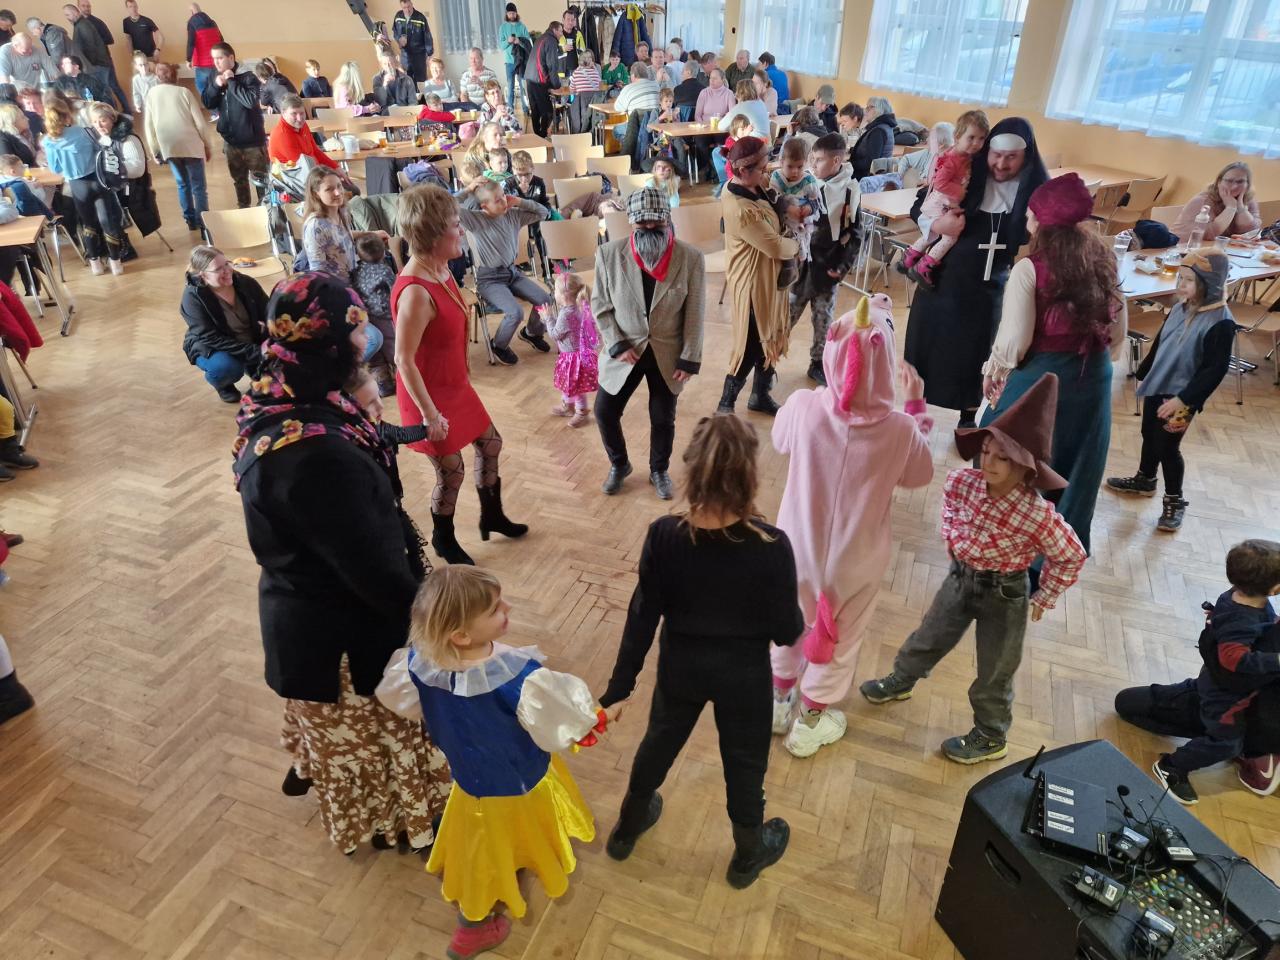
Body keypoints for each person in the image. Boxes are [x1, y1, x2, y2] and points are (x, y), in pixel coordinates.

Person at [233, 271, 449, 855]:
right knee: (382, 735)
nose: (365, 341)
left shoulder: (281, 397)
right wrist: (436, 624)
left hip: (305, 608)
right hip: (342, 638)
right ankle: (401, 821)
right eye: (355, 333)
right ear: (326, 343)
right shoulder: (318, 457)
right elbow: (371, 572)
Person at [598, 414, 803, 886]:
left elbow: (642, 617)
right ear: (749, 476)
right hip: (744, 677)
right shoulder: (772, 546)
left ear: (691, 469)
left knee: (659, 742)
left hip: (681, 668)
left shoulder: (663, 535)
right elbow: (786, 631)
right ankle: (748, 854)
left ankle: (627, 830)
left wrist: (618, 689)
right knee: (745, 761)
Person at [374, 567, 600, 958]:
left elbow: (404, 703)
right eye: (495, 608)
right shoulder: (520, 679)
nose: (507, 607)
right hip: (519, 785)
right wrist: (589, 721)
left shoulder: (419, 664)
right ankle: (472, 928)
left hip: (469, 782)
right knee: (488, 854)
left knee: (481, 844)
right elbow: (558, 728)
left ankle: (500, 880)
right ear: (461, 635)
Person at [861, 374, 1086, 763]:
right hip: (960, 578)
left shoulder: (1037, 514)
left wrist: (1045, 594)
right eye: (986, 450)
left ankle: (990, 734)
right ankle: (902, 679)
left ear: (1027, 468)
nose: (989, 462)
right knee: (929, 635)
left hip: (1006, 594)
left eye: (1003, 457)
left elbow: (1071, 554)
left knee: (996, 668)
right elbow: (949, 507)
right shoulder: (963, 482)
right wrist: (953, 538)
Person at [771, 295, 934, 757]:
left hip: (794, 549)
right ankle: (810, 723)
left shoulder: (803, 405)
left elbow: (780, 440)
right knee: (841, 638)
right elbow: (920, 475)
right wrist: (916, 406)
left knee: (787, 622)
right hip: (857, 562)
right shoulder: (901, 430)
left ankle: (779, 703)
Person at [981, 174, 1125, 557]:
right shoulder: (1104, 258)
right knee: (1076, 458)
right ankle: (1056, 546)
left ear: (1043, 221)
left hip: (1046, 375)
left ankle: (1010, 543)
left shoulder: (1030, 269)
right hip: (1093, 374)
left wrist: (994, 371)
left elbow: (1014, 343)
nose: (1027, 219)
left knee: (1007, 446)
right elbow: (1117, 330)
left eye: (1031, 213)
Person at [393, 184, 528, 566]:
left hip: (454, 385)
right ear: (433, 234)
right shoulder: (416, 291)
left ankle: (492, 516)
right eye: (455, 225)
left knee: (491, 444)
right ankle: (443, 538)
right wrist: (430, 415)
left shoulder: (441, 270)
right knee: (451, 473)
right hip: (428, 398)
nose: (462, 230)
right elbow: (403, 360)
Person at [903, 117, 1049, 426]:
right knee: (928, 350)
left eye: (1011, 157)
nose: (1001, 164)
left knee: (976, 355)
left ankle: (968, 415)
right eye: (996, 155)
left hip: (989, 290)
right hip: (941, 283)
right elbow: (919, 206)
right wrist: (937, 224)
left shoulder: (1033, 193)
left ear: (1026, 157)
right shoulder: (966, 172)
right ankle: (915, 412)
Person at [1105, 247, 1235, 533]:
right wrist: (1144, 372)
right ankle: (1145, 478)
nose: (1181, 285)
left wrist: (1183, 400)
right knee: (1148, 434)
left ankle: (1175, 500)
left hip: (1182, 398)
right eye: (1181, 278)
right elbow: (1162, 341)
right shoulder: (1180, 307)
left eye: (1189, 281)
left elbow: (1214, 371)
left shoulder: (1221, 323)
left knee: (1167, 446)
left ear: (1210, 284)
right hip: (1159, 386)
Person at [1140, 541, 1280, 804]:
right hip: (1225, 698)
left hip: (1211, 682)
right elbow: (1234, 659)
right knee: (1227, 743)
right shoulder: (1243, 619)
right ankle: (1172, 766)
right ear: (1274, 589)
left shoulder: (1237, 596)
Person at [592, 186, 704, 498]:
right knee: (604, 411)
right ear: (631, 221)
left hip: (668, 353)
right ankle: (620, 464)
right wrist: (616, 343)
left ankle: (659, 470)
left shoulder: (691, 258)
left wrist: (690, 357)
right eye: (643, 222)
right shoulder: (608, 254)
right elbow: (600, 306)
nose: (650, 227)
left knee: (663, 418)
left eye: (657, 221)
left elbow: (695, 312)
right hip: (624, 350)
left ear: (668, 218)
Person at [1116, 622, 1280, 798]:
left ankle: (1174, 765)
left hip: (1236, 713)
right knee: (1128, 702)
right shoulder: (1258, 620)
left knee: (1228, 743)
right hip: (1219, 699)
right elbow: (1223, 661)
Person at [718, 137, 798, 416]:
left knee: (771, 335)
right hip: (753, 283)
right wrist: (797, 245)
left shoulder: (751, 185)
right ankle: (725, 406)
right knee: (751, 343)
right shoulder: (741, 209)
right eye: (763, 169)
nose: (767, 173)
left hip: (768, 277)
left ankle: (760, 395)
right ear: (743, 170)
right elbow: (774, 246)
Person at [788, 133, 859, 386]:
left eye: (818, 160)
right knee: (785, 318)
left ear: (836, 161)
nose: (813, 164)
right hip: (800, 268)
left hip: (828, 269)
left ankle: (817, 363)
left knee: (823, 320)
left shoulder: (850, 190)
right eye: (813, 159)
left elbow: (854, 233)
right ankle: (766, 363)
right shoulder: (806, 183)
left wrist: (843, 266)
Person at [457, 178, 550, 364]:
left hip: (512, 273)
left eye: (504, 196)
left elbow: (543, 212)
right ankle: (498, 345)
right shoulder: (476, 219)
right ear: (484, 206)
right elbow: (446, 207)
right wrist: (467, 190)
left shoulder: (513, 214)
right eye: (498, 200)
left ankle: (531, 333)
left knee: (545, 300)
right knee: (516, 313)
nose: (504, 201)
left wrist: (520, 201)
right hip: (489, 279)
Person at [43, 93, 126, 275]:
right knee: (107, 220)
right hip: (97, 180)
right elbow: (99, 151)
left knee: (88, 224)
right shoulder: (83, 131)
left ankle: (95, 263)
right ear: (67, 115)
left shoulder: (48, 141)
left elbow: (56, 168)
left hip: (77, 185)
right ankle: (115, 262)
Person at [180, 245, 267, 402]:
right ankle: (223, 384)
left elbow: (268, 311)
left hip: (248, 340)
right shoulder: (192, 298)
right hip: (214, 345)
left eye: (227, 263)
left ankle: (251, 365)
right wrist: (256, 352)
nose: (227, 270)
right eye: (218, 269)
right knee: (227, 368)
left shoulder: (245, 282)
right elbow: (211, 338)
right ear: (203, 275)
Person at [144, 61, 211, 231]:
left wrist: (155, 150)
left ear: (157, 77)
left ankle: (190, 220)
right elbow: (200, 123)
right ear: (176, 75)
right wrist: (207, 145)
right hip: (191, 145)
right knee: (199, 187)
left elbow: (149, 126)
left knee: (182, 184)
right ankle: (204, 224)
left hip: (169, 146)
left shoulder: (151, 94)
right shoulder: (184, 92)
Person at [202, 42, 267, 209]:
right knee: (239, 180)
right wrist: (216, 86)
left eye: (219, 58)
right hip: (231, 141)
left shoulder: (248, 77)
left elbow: (250, 101)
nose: (216, 63)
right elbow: (208, 103)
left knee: (262, 181)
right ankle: (244, 209)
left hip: (253, 141)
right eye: (214, 59)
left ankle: (266, 211)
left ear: (231, 57)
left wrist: (231, 80)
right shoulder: (214, 75)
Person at [301, 166, 387, 286]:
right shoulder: (315, 226)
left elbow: (339, 235)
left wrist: (370, 234)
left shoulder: (341, 211)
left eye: (339, 186)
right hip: (336, 287)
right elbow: (318, 272)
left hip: (352, 277)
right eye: (329, 189)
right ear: (316, 194)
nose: (337, 192)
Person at [541, 271, 599, 428]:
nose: (554, 293)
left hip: (573, 358)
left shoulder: (566, 314)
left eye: (555, 290)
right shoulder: (581, 307)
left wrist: (548, 318)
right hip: (580, 354)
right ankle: (568, 407)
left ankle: (582, 412)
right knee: (569, 383)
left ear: (563, 295)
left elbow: (555, 334)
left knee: (576, 387)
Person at [769, 137, 820, 288]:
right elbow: (773, 198)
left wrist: (809, 208)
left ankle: (799, 270)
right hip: (782, 220)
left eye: (799, 166)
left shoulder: (809, 180)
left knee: (801, 244)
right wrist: (787, 207)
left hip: (801, 223)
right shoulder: (777, 177)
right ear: (781, 162)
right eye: (790, 166)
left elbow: (816, 201)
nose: (795, 171)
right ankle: (789, 268)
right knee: (786, 241)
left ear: (806, 163)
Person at [352, 234, 398, 395]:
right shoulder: (385, 270)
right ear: (383, 251)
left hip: (367, 317)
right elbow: (395, 290)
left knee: (376, 357)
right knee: (392, 346)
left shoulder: (356, 271)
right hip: (385, 315)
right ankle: (404, 379)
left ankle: (383, 385)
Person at [1170, 162, 1262, 243]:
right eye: (1229, 181)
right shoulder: (1203, 200)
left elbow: (1252, 233)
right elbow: (1208, 235)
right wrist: (1231, 208)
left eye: (1240, 181)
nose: (1234, 186)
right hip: (1181, 248)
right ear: (1219, 182)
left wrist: (1241, 209)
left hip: (1219, 249)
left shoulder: (1248, 199)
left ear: (1248, 184)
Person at [64, 3, 127, 113]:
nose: (67, 18)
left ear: (75, 12)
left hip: (97, 65)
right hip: (100, 64)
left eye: (68, 14)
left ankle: (112, 115)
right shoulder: (81, 24)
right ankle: (114, 113)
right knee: (107, 91)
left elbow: (91, 46)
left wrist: (90, 65)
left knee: (104, 93)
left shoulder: (83, 25)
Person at [267, 93, 340, 174]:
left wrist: (336, 168)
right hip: (296, 176)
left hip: (311, 171)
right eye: (294, 114)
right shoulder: (281, 135)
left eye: (302, 113)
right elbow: (304, 167)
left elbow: (315, 151)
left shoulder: (303, 125)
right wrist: (330, 174)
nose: (299, 119)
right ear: (283, 113)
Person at [524, 21, 563, 138]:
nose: (562, 34)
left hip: (529, 78)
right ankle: (542, 135)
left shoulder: (541, 38)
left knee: (535, 110)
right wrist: (557, 86)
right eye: (560, 31)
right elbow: (552, 65)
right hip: (539, 80)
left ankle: (537, 136)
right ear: (554, 30)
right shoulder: (551, 41)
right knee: (548, 111)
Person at [850, 96, 896, 179]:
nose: (865, 111)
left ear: (879, 110)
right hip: (872, 176)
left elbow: (869, 163)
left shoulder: (878, 131)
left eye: (869, 107)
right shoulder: (882, 127)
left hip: (867, 178)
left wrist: (849, 164)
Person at [184, 4, 221, 103]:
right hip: (217, 62)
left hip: (203, 63)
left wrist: (188, 59)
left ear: (191, 12)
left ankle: (212, 107)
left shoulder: (192, 22)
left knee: (201, 86)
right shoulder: (213, 22)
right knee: (217, 87)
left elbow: (191, 42)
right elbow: (221, 39)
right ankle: (218, 107)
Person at [392, 0, 433, 83]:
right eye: (404, 8)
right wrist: (399, 40)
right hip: (405, 55)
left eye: (409, 7)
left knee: (420, 80)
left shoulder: (420, 17)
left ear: (412, 4)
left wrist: (429, 54)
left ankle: (421, 92)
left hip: (419, 55)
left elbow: (427, 35)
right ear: (401, 7)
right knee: (406, 80)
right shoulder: (398, 16)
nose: (407, 10)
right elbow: (395, 31)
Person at [498, 4, 530, 111]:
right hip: (509, 62)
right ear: (507, 14)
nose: (512, 15)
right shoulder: (503, 28)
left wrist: (519, 41)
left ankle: (525, 108)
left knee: (523, 86)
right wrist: (508, 41)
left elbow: (529, 43)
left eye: (513, 13)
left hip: (521, 61)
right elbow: (501, 46)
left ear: (516, 13)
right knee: (510, 86)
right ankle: (510, 109)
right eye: (510, 13)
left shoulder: (522, 26)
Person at [371, 44, 417, 110]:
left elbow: (413, 102)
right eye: (385, 64)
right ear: (382, 65)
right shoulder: (377, 79)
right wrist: (384, 85)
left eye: (390, 63)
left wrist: (408, 112)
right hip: (386, 112)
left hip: (403, 111)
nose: (388, 66)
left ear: (395, 63)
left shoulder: (407, 79)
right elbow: (380, 102)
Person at [566, 48, 600, 134]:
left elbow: (572, 90)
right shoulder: (595, 72)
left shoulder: (576, 73)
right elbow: (598, 87)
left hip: (581, 107)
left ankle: (576, 133)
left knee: (569, 104)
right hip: (594, 106)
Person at [557, 6, 586, 80]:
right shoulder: (558, 34)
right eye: (568, 19)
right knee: (564, 88)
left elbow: (583, 52)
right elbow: (551, 52)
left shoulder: (578, 34)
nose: (570, 22)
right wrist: (563, 49)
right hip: (561, 71)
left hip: (576, 70)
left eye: (572, 20)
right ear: (563, 20)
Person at [130, 51, 157, 115]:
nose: (144, 67)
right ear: (136, 66)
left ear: (148, 64)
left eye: (145, 64)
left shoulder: (156, 78)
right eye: (140, 65)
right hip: (146, 106)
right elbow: (136, 93)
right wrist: (137, 105)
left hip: (157, 105)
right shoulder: (136, 79)